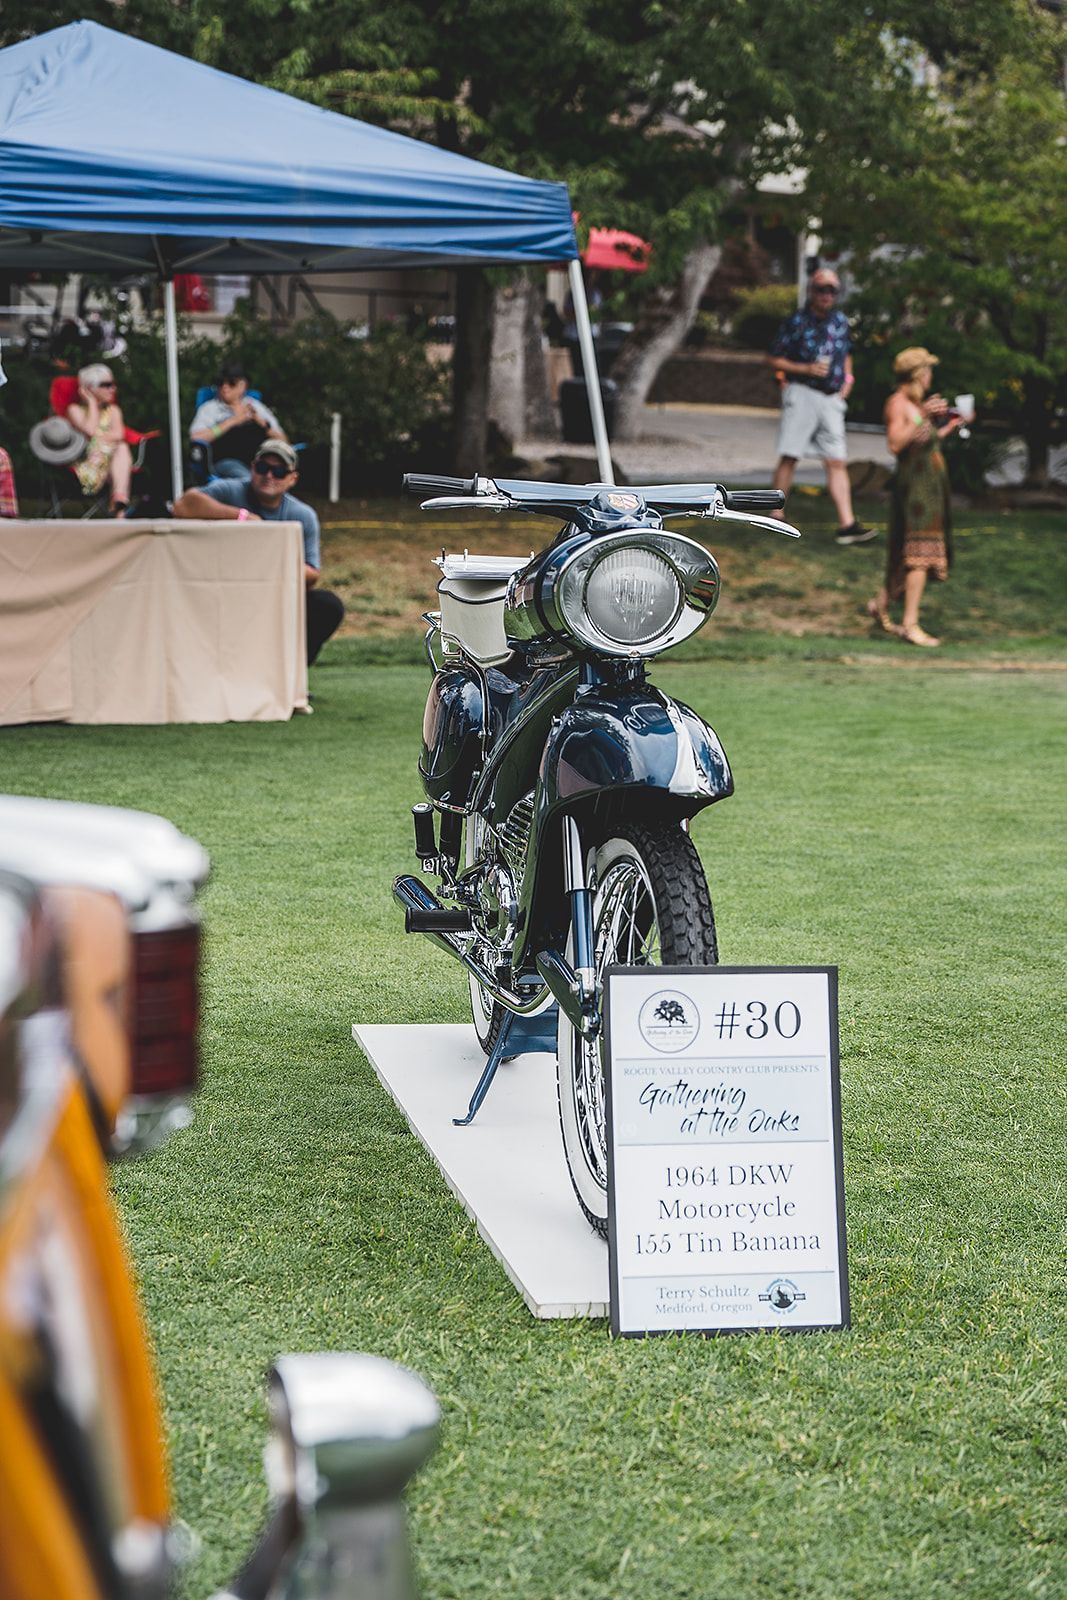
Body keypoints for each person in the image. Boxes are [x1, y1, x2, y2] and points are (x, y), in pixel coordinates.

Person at [172, 441, 344, 667]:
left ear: (292, 479)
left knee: (327, 605)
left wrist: (271, 560)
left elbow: (312, 574)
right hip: (224, 592)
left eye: (279, 471)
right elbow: (183, 506)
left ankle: (292, 678)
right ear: (253, 468)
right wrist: (242, 518)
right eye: (263, 468)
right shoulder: (230, 490)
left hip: (274, 596)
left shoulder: (303, 515)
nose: (269, 476)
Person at [867, 347, 970, 649]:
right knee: (919, 557)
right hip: (916, 495)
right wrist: (922, 416)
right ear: (918, 374)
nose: (930, 377)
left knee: (908, 553)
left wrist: (949, 426)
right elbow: (896, 444)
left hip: (929, 490)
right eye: (928, 371)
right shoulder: (897, 404)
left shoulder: (914, 404)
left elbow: (923, 443)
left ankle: (880, 604)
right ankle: (910, 624)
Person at [766, 270, 874, 545]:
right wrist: (805, 368)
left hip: (831, 398)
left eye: (832, 290)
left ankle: (847, 525)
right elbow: (774, 359)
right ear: (811, 291)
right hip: (802, 392)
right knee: (790, 455)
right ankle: (775, 514)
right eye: (822, 289)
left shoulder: (840, 321)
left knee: (836, 460)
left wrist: (848, 382)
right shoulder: (796, 321)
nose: (827, 295)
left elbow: (846, 354)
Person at [188, 361, 288, 481]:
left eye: (231, 382)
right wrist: (232, 421)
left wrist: (262, 424)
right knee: (252, 482)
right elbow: (196, 437)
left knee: (278, 476)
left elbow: (283, 441)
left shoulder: (256, 406)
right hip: (228, 461)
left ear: (243, 386)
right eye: (220, 383)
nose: (225, 387)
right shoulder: (210, 408)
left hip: (260, 460)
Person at [64, 363, 132, 516]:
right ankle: (119, 510)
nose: (112, 389)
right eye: (106, 385)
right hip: (84, 463)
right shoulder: (74, 410)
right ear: (89, 388)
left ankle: (119, 501)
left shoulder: (113, 410)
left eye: (113, 384)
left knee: (121, 447)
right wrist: (92, 403)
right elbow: (90, 429)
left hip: (110, 463)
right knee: (119, 450)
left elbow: (119, 434)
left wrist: (98, 437)